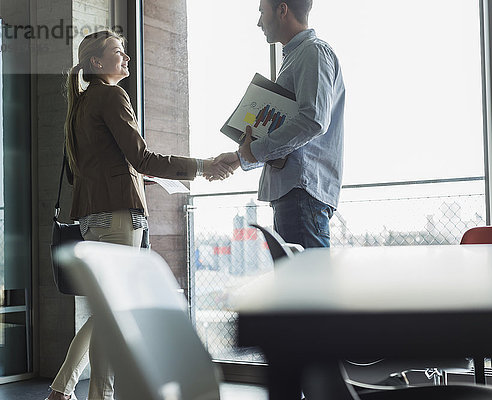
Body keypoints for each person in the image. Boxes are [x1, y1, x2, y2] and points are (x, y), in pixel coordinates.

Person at [45, 30, 232, 400]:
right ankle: (72, 390)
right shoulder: (113, 95)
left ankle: (80, 392)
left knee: (107, 308)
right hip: (117, 219)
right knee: (113, 310)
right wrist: (203, 165)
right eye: (119, 53)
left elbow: (87, 167)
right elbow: (142, 157)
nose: (127, 59)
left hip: (90, 217)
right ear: (97, 63)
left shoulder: (82, 102)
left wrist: (133, 178)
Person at [217, 0, 345, 249]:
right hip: (296, 193)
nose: (258, 22)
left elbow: (312, 121)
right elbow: (290, 133)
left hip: (301, 192)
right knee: (299, 284)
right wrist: (239, 157)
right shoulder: (299, 56)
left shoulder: (312, 52)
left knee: (306, 286)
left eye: (261, 13)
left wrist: (252, 151)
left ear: (282, 10)